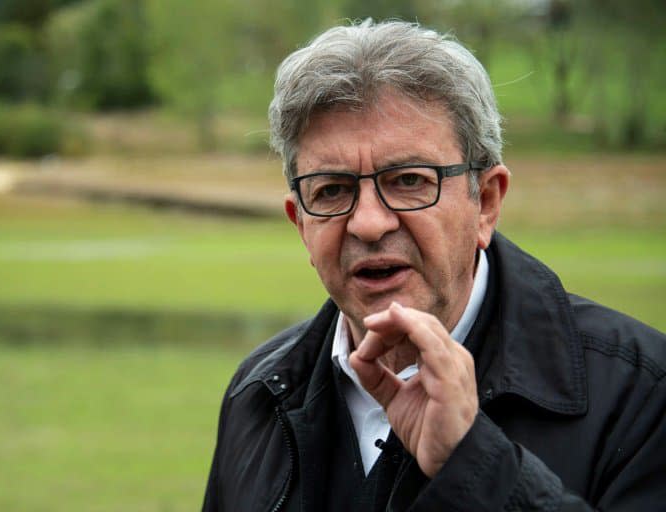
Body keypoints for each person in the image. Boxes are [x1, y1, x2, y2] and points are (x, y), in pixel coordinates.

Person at [202, 20, 666, 511]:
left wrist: (476, 461)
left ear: (484, 202)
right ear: (301, 224)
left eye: (408, 180)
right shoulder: (258, 394)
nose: (368, 223)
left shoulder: (642, 396)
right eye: (332, 190)